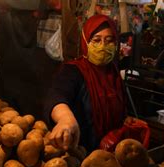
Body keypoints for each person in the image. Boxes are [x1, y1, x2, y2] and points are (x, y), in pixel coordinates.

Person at [44, 14, 126, 151]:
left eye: (109, 40)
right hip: (81, 152)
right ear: (85, 41)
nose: (103, 46)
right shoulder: (73, 71)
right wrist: (65, 118)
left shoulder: (114, 73)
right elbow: (57, 95)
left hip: (113, 152)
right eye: (96, 40)